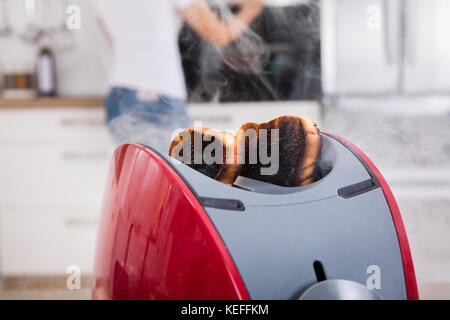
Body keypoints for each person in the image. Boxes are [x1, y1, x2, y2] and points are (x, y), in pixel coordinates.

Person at [95, 0, 264, 153]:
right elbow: (218, 34)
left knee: (134, 178)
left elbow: (114, 39)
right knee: (163, 180)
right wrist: (251, 9)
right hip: (157, 97)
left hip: (118, 95)